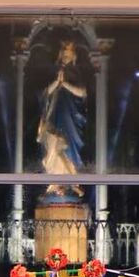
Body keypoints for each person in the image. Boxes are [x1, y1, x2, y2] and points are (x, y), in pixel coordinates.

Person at [37, 39, 87, 196]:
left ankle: (72, 181)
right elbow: (43, 94)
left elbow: (82, 93)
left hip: (71, 117)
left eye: (69, 51)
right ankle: (54, 183)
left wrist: (64, 84)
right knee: (52, 144)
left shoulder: (76, 72)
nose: (66, 55)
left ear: (73, 55)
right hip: (53, 115)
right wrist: (56, 82)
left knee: (69, 147)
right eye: (64, 51)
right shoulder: (53, 72)